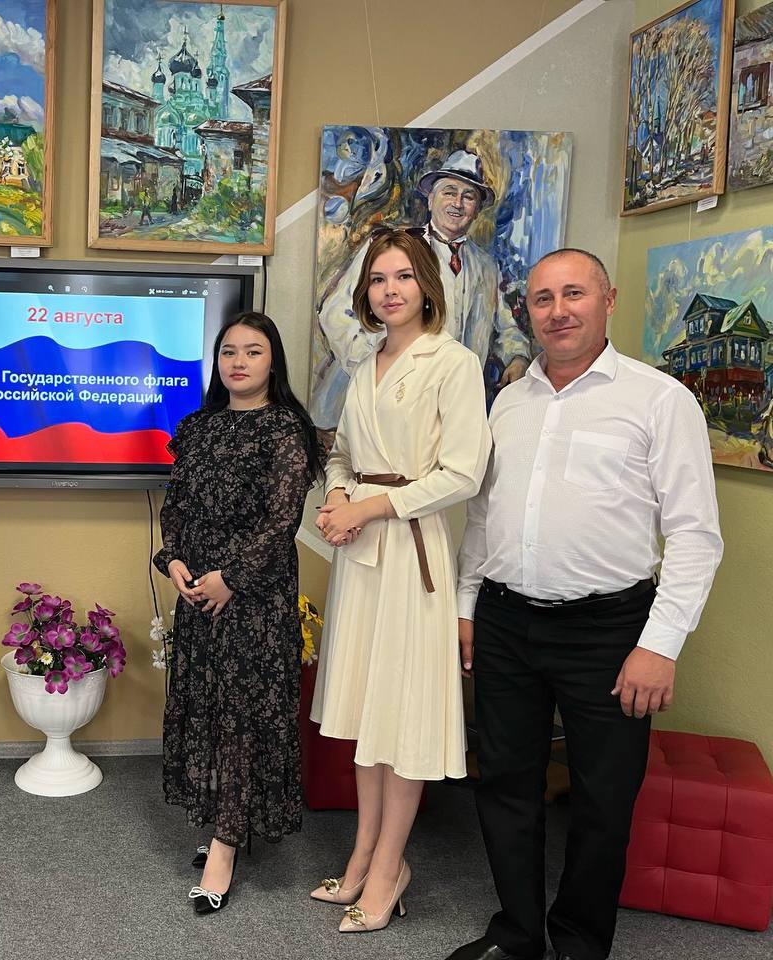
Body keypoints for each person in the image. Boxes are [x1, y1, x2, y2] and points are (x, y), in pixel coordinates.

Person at [448, 249, 723, 960]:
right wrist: (467, 605)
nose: (558, 310)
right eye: (543, 299)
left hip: (611, 632)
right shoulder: (509, 402)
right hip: (506, 621)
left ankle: (578, 942)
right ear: (529, 313)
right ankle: (518, 934)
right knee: (504, 785)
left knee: (603, 800)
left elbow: (695, 536)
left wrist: (659, 645)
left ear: (609, 299)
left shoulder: (660, 400)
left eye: (574, 293)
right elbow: (481, 516)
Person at [309, 228, 491, 932]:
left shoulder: (454, 363)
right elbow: (343, 454)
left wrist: (369, 507)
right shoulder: (365, 366)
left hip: (413, 555)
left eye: (404, 277)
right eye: (379, 279)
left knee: (405, 712)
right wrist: (336, 496)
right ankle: (362, 855)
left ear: (427, 287)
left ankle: (389, 868)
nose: (390, 290)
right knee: (366, 711)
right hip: (361, 558)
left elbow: (463, 473)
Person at [154, 311, 325, 915]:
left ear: (273, 361)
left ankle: (226, 846)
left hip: (255, 599)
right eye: (229, 351)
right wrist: (175, 560)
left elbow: (282, 523)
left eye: (253, 351)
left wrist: (230, 579)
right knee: (207, 707)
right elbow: (175, 505)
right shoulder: (198, 426)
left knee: (241, 713)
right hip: (198, 594)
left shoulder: (286, 429)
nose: (239, 362)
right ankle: (223, 821)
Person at [313, 149, 531, 427]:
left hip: (451, 412)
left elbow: (507, 327)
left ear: (477, 209)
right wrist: (372, 365)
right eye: (449, 192)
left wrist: (517, 356)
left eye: (469, 196)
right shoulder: (391, 247)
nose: (458, 203)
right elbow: (335, 312)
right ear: (430, 199)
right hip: (379, 406)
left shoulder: (487, 266)